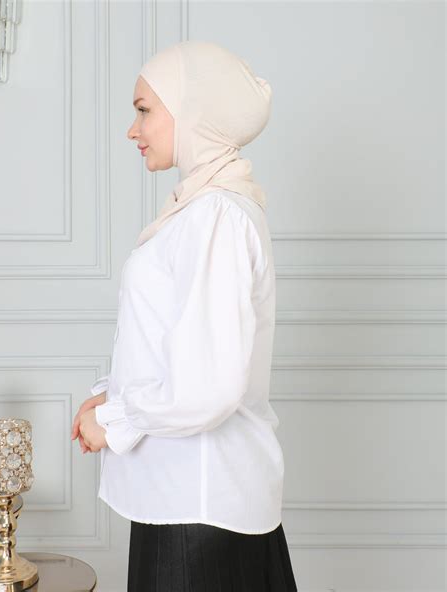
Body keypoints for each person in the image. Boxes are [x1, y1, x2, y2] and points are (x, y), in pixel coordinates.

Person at [71, 40, 298, 592]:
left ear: (191, 110)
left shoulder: (216, 215)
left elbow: (209, 387)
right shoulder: (203, 209)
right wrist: (110, 396)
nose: (133, 129)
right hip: (188, 501)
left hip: (198, 508)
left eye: (144, 109)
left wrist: (116, 420)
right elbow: (177, 346)